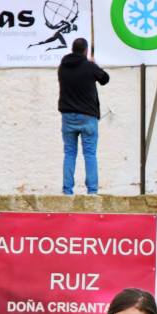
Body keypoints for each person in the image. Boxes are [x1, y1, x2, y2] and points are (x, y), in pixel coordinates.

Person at [57, 37, 109, 195]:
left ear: (72, 49)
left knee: (69, 153)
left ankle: (67, 191)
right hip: (87, 116)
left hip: (68, 116)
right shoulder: (89, 66)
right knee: (90, 154)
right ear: (86, 51)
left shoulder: (62, 67)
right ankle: (92, 191)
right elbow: (105, 79)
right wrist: (94, 64)